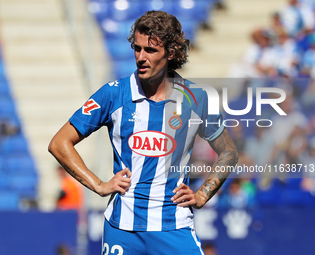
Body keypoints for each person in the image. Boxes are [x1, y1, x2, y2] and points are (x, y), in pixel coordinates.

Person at [49, 10, 238, 255]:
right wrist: (98, 185)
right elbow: (60, 143)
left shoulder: (196, 98)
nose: (141, 57)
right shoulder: (114, 94)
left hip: (173, 227)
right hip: (122, 228)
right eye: (137, 49)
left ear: (170, 53)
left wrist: (202, 194)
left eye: (150, 50)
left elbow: (229, 153)